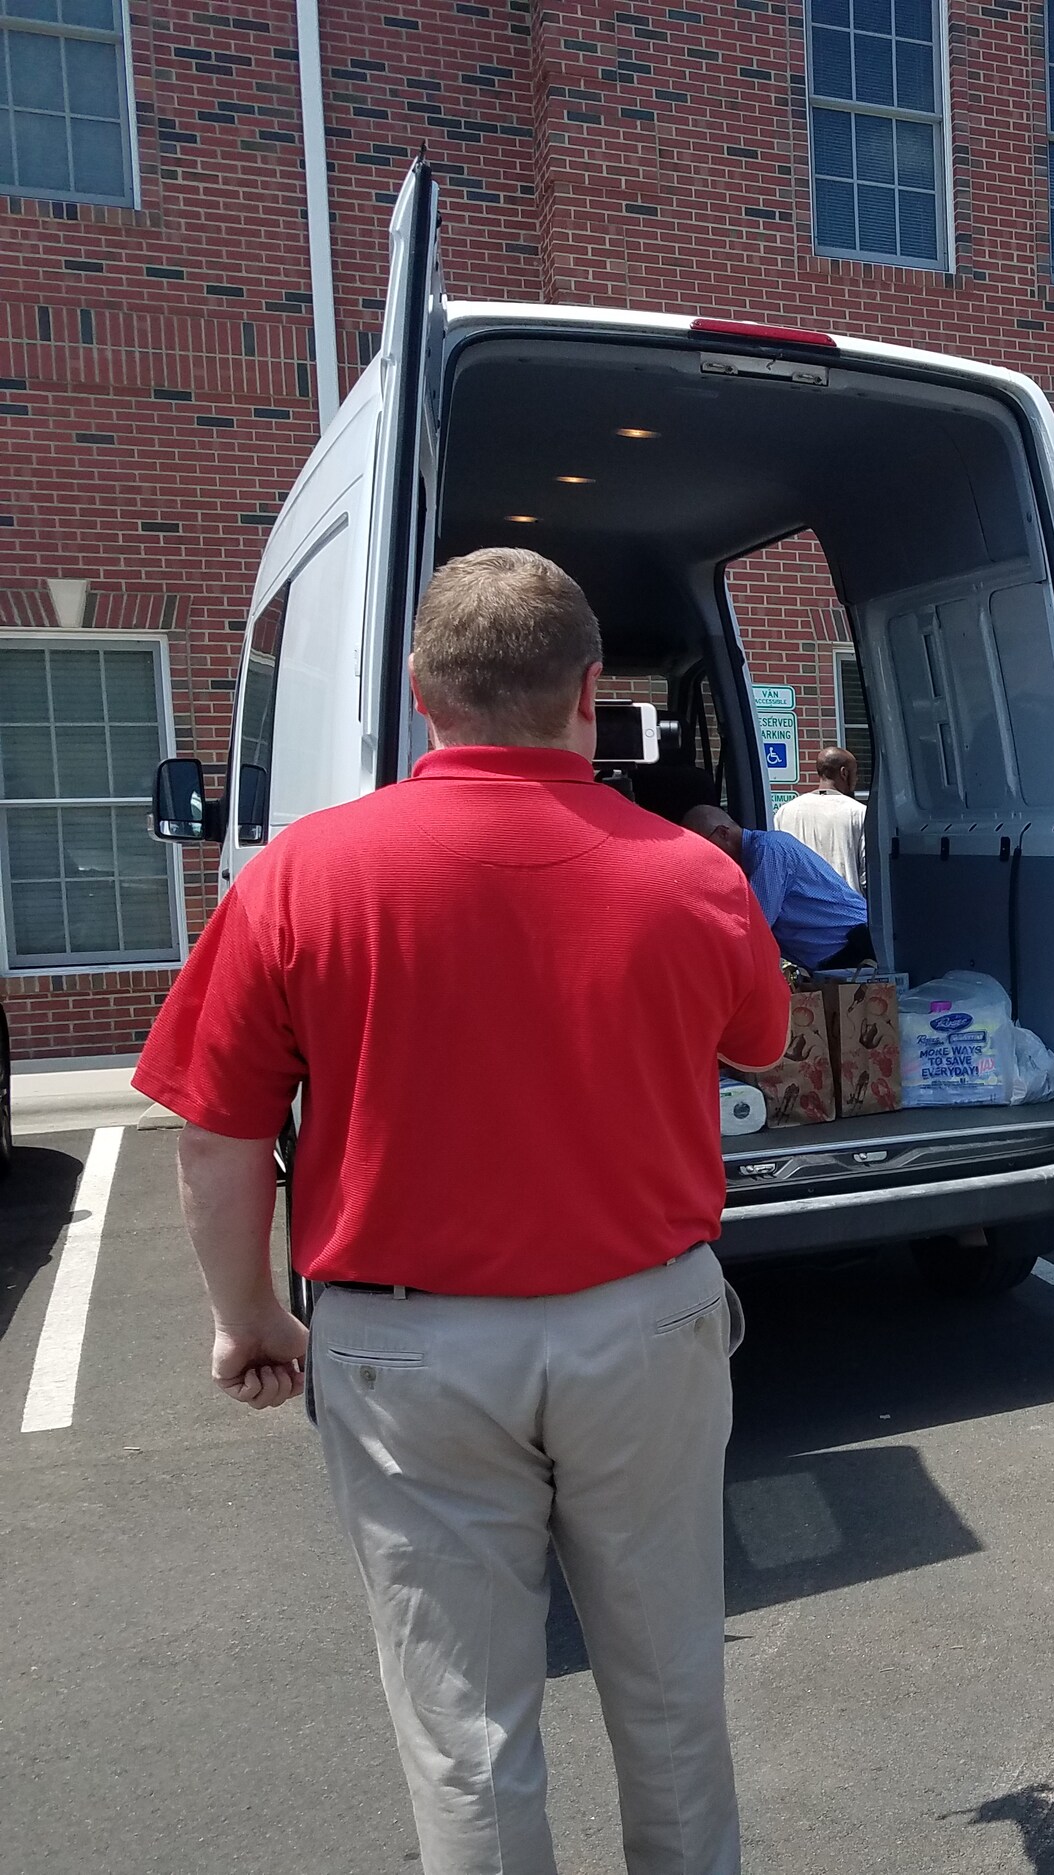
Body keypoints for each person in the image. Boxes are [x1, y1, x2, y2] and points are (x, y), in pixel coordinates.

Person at [133, 547, 789, 1875]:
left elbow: (218, 1136)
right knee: (671, 1690)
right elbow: (765, 1047)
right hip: (646, 1324)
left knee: (467, 1734)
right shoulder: (692, 875)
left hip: (406, 1348)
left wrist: (246, 1316)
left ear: (421, 693)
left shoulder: (299, 878)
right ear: (590, 690)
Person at [682, 803, 872, 972]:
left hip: (853, 949)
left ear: (724, 833)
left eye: (703, 845)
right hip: (835, 957)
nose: (701, 855)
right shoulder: (751, 863)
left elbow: (755, 925)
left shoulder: (770, 849)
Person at [773, 745, 868, 890]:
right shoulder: (858, 813)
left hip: (800, 907)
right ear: (844, 773)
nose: (857, 778)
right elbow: (867, 874)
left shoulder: (785, 812)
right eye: (855, 773)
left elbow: (778, 868)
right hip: (845, 907)